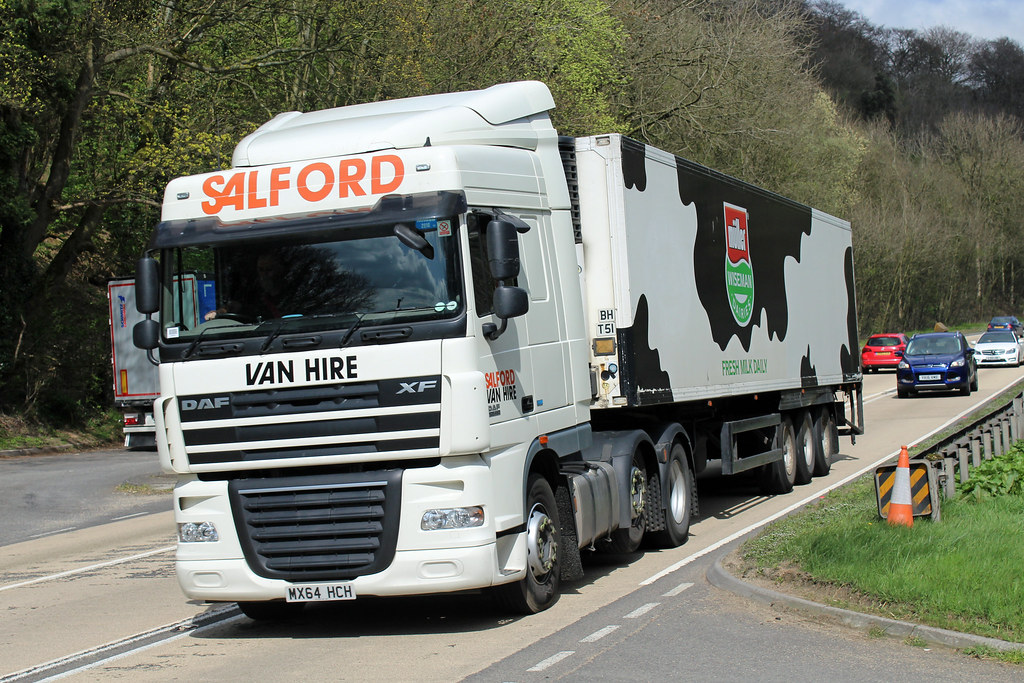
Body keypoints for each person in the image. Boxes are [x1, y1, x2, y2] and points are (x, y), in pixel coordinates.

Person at [205, 252, 287, 321]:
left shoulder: (292, 292)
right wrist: (218, 313)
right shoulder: (252, 293)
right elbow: (233, 307)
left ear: (280, 270)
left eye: (269, 270)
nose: (264, 275)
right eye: (261, 270)